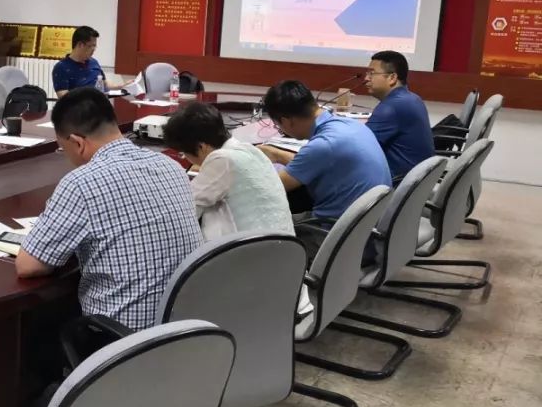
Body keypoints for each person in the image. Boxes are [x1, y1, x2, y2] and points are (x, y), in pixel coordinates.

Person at [16, 88, 203, 331]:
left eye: (64, 150)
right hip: (184, 330)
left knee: (42, 333)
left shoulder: (81, 183)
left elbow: (29, 265)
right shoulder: (172, 166)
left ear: (78, 143)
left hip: (121, 339)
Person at [259, 80, 391, 261]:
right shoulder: (349, 125)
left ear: (286, 121)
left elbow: (270, 188)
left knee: (258, 238)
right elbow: (319, 161)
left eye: (278, 125)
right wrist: (276, 154)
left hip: (338, 243)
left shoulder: (322, 145)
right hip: (369, 233)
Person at [164, 102, 294, 240]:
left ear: (201, 147)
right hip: (286, 247)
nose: (186, 158)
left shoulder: (222, 160)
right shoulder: (250, 150)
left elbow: (185, 211)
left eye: (184, 153)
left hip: (250, 250)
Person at [364, 50, 435, 181]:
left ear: (392, 78)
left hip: (396, 183)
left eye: (372, 73)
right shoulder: (412, 98)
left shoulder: (391, 107)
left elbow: (359, 145)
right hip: (417, 181)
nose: (366, 78)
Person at [51, 25, 119, 97]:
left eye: (95, 46)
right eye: (90, 46)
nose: (93, 49)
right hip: (80, 104)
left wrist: (121, 86)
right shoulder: (61, 67)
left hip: (99, 103)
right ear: (80, 45)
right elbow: (63, 95)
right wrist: (88, 96)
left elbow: (104, 83)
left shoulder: (94, 62)